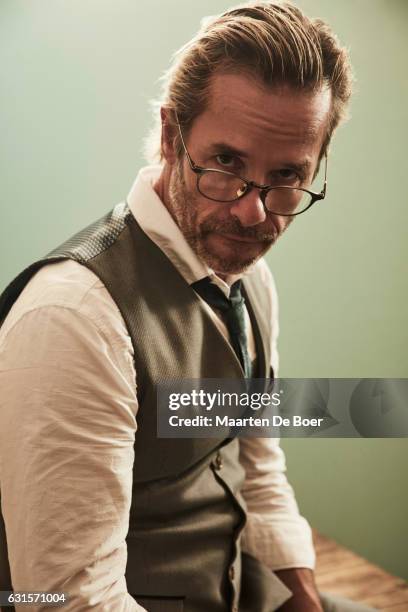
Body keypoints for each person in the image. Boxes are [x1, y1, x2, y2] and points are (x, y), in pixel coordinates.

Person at [0, 2, 376, 611]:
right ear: (173, 136)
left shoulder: (250, 279)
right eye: (226, 163)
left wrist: (302, 595)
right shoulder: (72, 320)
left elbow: (255, 461)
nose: (254, 213)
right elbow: (67, 600)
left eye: (286, 175)